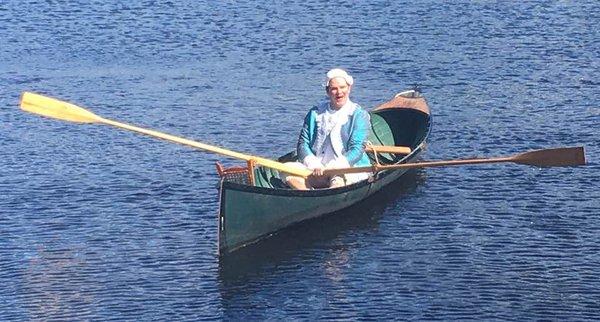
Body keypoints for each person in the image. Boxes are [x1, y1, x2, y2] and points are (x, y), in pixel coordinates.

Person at [284, 68, 372, 190]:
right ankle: (308, 194)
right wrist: (313, 163)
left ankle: (332, 192)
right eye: (334, 89)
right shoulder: (315, 113)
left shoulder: (359, 115)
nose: (339, 92)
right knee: (287, 169)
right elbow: (303, 144)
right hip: (317, 169)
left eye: (342, 87)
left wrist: (335, 166)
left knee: (338, 178)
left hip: (348, 169)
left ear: (349, 88)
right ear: (327, 91)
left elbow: (357, 149)